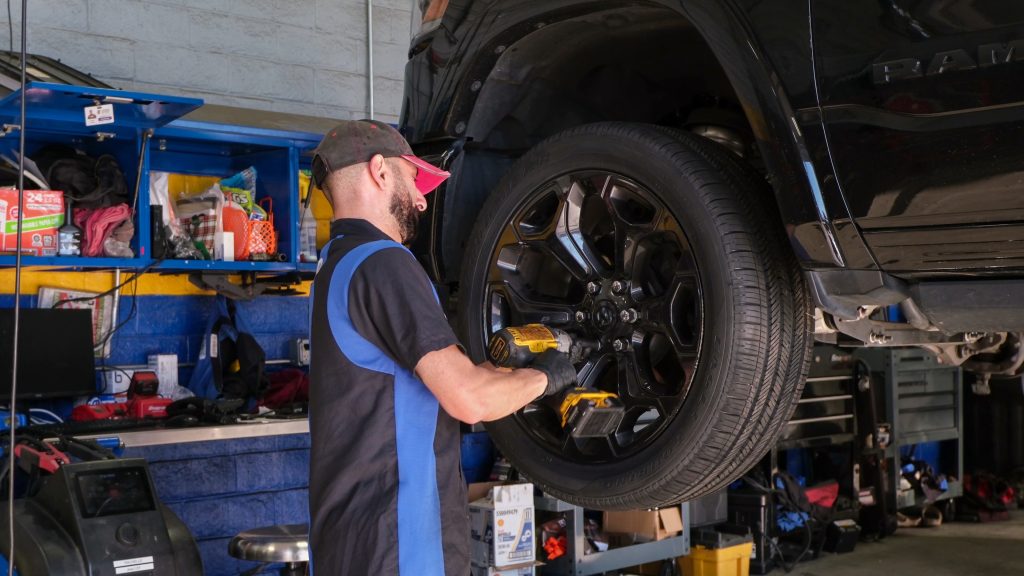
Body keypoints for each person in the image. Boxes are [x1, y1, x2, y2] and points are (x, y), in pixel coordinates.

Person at [307, 119, 577, 576]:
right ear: (379, 171)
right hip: (400, 544)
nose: (421, 199)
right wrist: (549, 375)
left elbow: (440, 381)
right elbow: (469, 400)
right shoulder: (385, 263)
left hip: (348, 541)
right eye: (414, 179)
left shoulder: (335, 266)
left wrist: (505, 371)